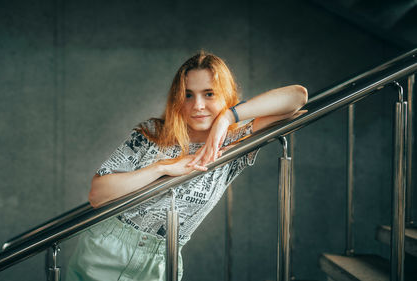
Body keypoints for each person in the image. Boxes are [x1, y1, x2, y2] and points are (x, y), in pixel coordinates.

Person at [65, 51, 308, 281]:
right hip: (106, 250)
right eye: (188, 94)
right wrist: (162, 168)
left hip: (162, 260)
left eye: (209, 93)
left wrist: (227, 118)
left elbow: (297, 97)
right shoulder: (152, 133)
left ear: (225, 94)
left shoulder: (236, 143)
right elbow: (98, 195)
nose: (197, 105)